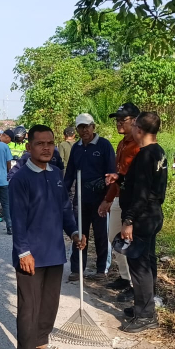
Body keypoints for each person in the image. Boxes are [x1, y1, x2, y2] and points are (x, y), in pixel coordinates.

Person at [9, 124, 86, 349]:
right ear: (29, 147)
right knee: (28, 306)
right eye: (40, 143)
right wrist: (23, 252)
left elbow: (65, 209)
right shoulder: (20, 179)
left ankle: (42, 340)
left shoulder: (55, 175)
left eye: (49, 143)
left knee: (50, 303)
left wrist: (75, 232)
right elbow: (18, 221)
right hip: (30, 255)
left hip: (54, 251)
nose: (46, 148)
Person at [106, 112, 168, 333]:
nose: (131, 128)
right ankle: (144, 306)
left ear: (139, 130)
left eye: (133, 125)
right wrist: (120, 178)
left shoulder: (144, 155)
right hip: (153, 214)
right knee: (148, 262)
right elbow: (145, 183)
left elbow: (141, 193)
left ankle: (145, 316)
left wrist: (129, 221)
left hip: (141, 217)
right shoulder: (158, 152)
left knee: (139, 266)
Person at [63, 113, 116, 282]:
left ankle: (102, 269)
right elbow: (70, 173)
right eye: (80, 127)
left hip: (100, 199)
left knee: (101, 235)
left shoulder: (104, 145)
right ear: (77, 129)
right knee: (79, 233)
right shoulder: (76, 148)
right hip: (80, 199)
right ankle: (77, 269)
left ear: (93, 126)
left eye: (87, 126)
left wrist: (107, 199)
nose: (84, 130)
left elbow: (111, 173)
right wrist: (63, 194)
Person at [98, 103, 141, 302]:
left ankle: (135, 284)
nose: (118, 124)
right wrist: (108, 199)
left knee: (128, 241)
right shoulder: (122, 143)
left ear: (134, 121)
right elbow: (118, 176)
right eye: (117, 120)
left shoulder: (140, 146)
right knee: (114, 237)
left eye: (122, 120)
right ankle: (124, 277)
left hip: (132, 201)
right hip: (118, 196)